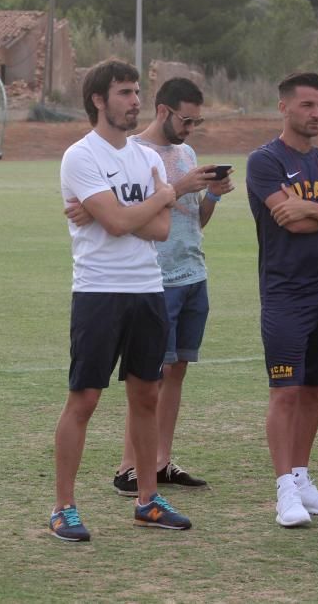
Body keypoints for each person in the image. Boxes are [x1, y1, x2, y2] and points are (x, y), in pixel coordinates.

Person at [67, 77, 234, 496]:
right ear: (165, 111)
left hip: (183, 275)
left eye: (197, 121)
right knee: (115, 390)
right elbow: (121, 221)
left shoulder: (176, 157)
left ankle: (157, 468)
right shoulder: (115, 154)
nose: (191, 128)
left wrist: (207, 196)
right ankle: (104, 483)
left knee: (167, 378)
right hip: (134, 283)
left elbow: (175, 223)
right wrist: (153, 199)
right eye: (187, 119)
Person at [51, 58, 190, 542]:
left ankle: (147, 501)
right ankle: (63, 507)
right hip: (99, 292)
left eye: (136, 93)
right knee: (84, 399)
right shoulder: (81, 156)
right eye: (126, 93)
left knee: (145, 396)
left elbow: (159, 228)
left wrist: (127, 208)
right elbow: (117, 224)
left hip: (147, 290)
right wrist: (161, 196)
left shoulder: (147, 158)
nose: (135, 102)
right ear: (98, 100)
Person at [246, 72, 318, 527]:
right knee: (286, 391)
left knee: (315, 388)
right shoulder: (265, 161)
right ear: (284, 108)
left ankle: (302, 478)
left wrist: (312, 208)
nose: (316, 114)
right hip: (284, 294)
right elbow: (288, 222)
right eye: (307, 106)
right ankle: (284, 492)